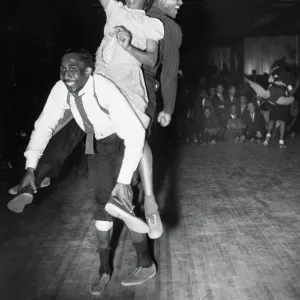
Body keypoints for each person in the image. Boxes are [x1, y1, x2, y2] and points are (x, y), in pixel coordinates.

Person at [15, 49, 157, 296]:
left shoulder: (104, 88)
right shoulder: (61, 89)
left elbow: (135, 134)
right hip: (98, 144)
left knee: (122, 203)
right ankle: (104, 270)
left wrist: (124, 181)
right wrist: (30, 166)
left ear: (88, 72)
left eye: (72, 69)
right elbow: (43, 125)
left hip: (124, 140)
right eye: (62, 68)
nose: (65, 74)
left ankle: (146, 264)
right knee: (102, 205)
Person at [245, 69, 295, 147]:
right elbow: (291, 93)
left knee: (276, 121)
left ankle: (270, 140)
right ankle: (277, 141)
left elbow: (290, 93)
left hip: (278, 102)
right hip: (278, 102)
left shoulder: (282, 81)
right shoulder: (283, 82)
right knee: (278, 122)